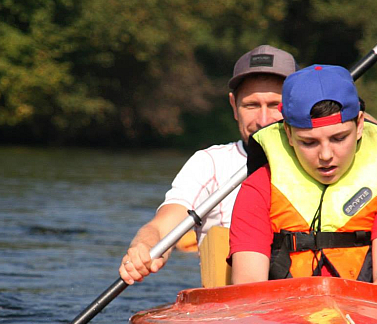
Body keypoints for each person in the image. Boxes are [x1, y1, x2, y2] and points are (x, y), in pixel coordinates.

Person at [228, 65, 377, 289]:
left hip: (364, 306)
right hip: (284, 306)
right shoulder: (260, 184)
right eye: (309, 142)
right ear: (288, 133)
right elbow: (249, 284)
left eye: (339, 138)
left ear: (359, 125)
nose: (326, 155)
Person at [119, 45, 297, 285]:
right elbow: (162, 226)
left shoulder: (326, 161)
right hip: (232, 302)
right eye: (251, 105)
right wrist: (144, 245)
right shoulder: (209, 163)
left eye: (275, 105)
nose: (263, 120)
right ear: (234, 106)